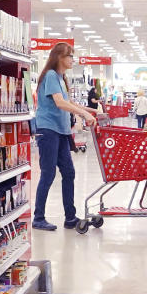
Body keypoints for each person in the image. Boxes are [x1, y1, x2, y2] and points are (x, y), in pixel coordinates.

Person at [34, 43, 96, 231]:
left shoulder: (61, 78)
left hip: (61, 131)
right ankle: (38, 218)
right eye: (69, 56)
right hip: (48, 129)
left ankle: (70, 217)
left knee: (69, 172)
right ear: (59, 57)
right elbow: (60, 103)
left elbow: (67, 102)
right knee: (48, 173)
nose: (72, 60)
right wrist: (84, 114)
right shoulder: (51, 75)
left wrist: (88, 109)